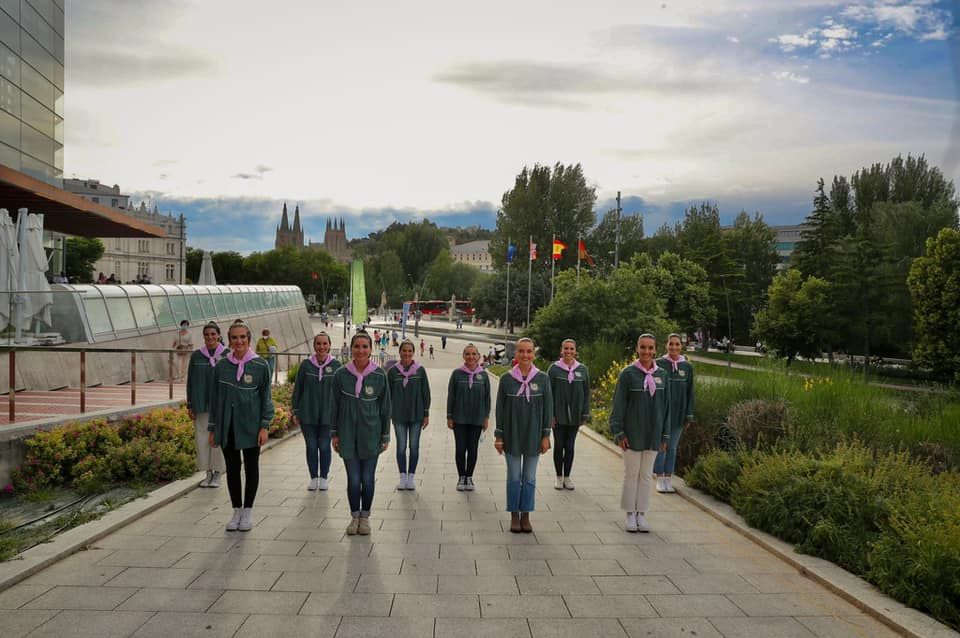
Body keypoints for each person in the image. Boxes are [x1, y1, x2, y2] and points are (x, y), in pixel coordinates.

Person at [208, 322, 275, 532]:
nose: (239, 342)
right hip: (228, 426)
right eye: (234, 338)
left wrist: (264, 426)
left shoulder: (260, 366)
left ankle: (248, 511)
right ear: (228, 340)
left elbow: (266, 398)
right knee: (233, 469)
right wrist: (213, 428)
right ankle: (236, 509)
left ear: (249, 339)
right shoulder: (221, 366)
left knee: (251, 467)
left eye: (242, 338)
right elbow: (215, 399)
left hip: (251, 426)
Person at [332, 332, 391, 535]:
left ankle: (365, 518)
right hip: (347, 434)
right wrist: (335, 433)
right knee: (353, 479)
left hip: (371, 434)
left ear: (371, 349)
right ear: (351, 348)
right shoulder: (340, 374)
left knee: (367, 478)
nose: (361, 351)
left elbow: (385, 408)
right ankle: (354, 517)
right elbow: (334, 406)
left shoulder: (379, 375)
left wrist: (385, 435)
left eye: (365, 347)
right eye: (357, 346)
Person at [610, 333, 670, 533]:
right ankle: (629, 514)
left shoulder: (662, 375)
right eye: (643, 347)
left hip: (653, 434)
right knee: (631, 474)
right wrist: (619, 432)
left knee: (645, 476)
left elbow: (667, 407)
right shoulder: (628, 374)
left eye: (650, 348)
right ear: (637, 348)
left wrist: (665, 435)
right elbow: (618, 406)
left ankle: (641, 514)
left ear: (655, 350)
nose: (647, 351)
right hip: (632, 433)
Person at [495, 337, 552, 533]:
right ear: (515, 354)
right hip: (512, 434)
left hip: (533, 435)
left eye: (529, 351)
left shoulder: (543, 379)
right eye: (521, 351)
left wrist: (546, 435)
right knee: (513, 477)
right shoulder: (506, 380)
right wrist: (499, 436)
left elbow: (548, 410)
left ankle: (526, 514)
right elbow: (500, 410)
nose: (525, 355)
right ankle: (514, 514)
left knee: (529, 477)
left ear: (534, 354)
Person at [292, 332, 342, 491]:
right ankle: (313, 477)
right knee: (312, 447)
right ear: (314, 346)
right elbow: (298, 389)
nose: (321, 347)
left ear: (329, 345)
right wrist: (296, 411)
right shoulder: (306, 365)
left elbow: (341, 393)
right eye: (318, 344)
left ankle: (324, 477)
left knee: (325, 446)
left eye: (324, 344)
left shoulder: (336, 366)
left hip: (328, 417)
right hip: (308, 415)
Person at [186, 322, 227, 488]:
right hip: (201, 404)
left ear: (218, 335)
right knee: (202, 439)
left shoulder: (227, 355)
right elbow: (190, 381)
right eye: (206, 334)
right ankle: (207, 473)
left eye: (213, 334)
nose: (210, 337)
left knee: (216, 439)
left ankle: (217, 473)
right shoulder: (196, 356)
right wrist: (190, 404)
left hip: (220, 406)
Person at [547, 339, 591, 491]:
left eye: (571, 349)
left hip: (575, 417)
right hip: (557, 417)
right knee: (559, 445)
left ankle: (567, 477)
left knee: (570, 446)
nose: (569, 351)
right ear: (561, 350)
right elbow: (548, 394)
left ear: (575, 351)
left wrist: (585, 413)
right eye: (566, 348)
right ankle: (559, 477)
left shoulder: (583, 370)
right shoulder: (554, 369)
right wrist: (550, 414)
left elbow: (586, 393)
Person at [654, 333, 695, 494]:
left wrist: (689, 414)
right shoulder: (658, 364)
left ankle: (668, 478)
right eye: (671, 344)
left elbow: (690, 392)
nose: (674, 347)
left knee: (672, 447)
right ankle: (659, 477)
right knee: (661, 445)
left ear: (681, 346)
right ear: (666, 345)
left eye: (677, 344)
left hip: (678, 414)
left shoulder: (687, 367)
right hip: (662, 414)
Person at [447, 344, 491, 491]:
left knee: (473, 449)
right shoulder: (457, 374)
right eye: (468, 354)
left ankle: (469, 477)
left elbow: (487, 398)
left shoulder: (483, 375)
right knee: (460, 449)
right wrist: (449, 416)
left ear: (478, 356)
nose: (471, 357)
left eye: (474, 354)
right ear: (463, 356)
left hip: (476, 419)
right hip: (459, 418)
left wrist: (486, 417)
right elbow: (451, 396)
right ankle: (461, 477)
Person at [387, 339, 430, 491]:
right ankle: (402, 477)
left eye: (409, 351)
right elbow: (387, 395)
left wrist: (426, 414)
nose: (407, 353)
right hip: (398, 415)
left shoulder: (420, 370)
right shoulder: (393, 372)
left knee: (414, 446)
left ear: (413, 352)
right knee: (400, 447)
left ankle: (411, 476)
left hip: (416, 415)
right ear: (400, 352)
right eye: (404, 350)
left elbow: (426, 393)